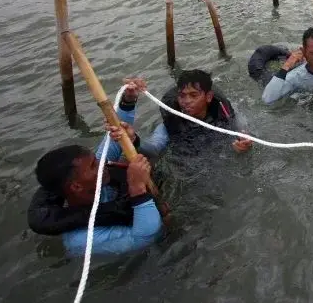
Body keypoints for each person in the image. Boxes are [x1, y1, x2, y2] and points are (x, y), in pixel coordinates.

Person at [27, 145, 162, 257]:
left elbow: (113, 138)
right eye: (93, 165)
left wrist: (125, 133)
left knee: (157, 142)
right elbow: (146, 238)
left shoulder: (91, 176)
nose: (102, 163)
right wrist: (137, 188)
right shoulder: (81, 240)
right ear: (77, 186)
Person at [104, 70, 253, 160]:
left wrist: (243, 144)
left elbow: (242, 131)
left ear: (208, 97)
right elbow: (154, 148)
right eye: (182, 96)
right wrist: (133, 139)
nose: (186, 101)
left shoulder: (223, 110)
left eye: (194, 95)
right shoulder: (170, 122)